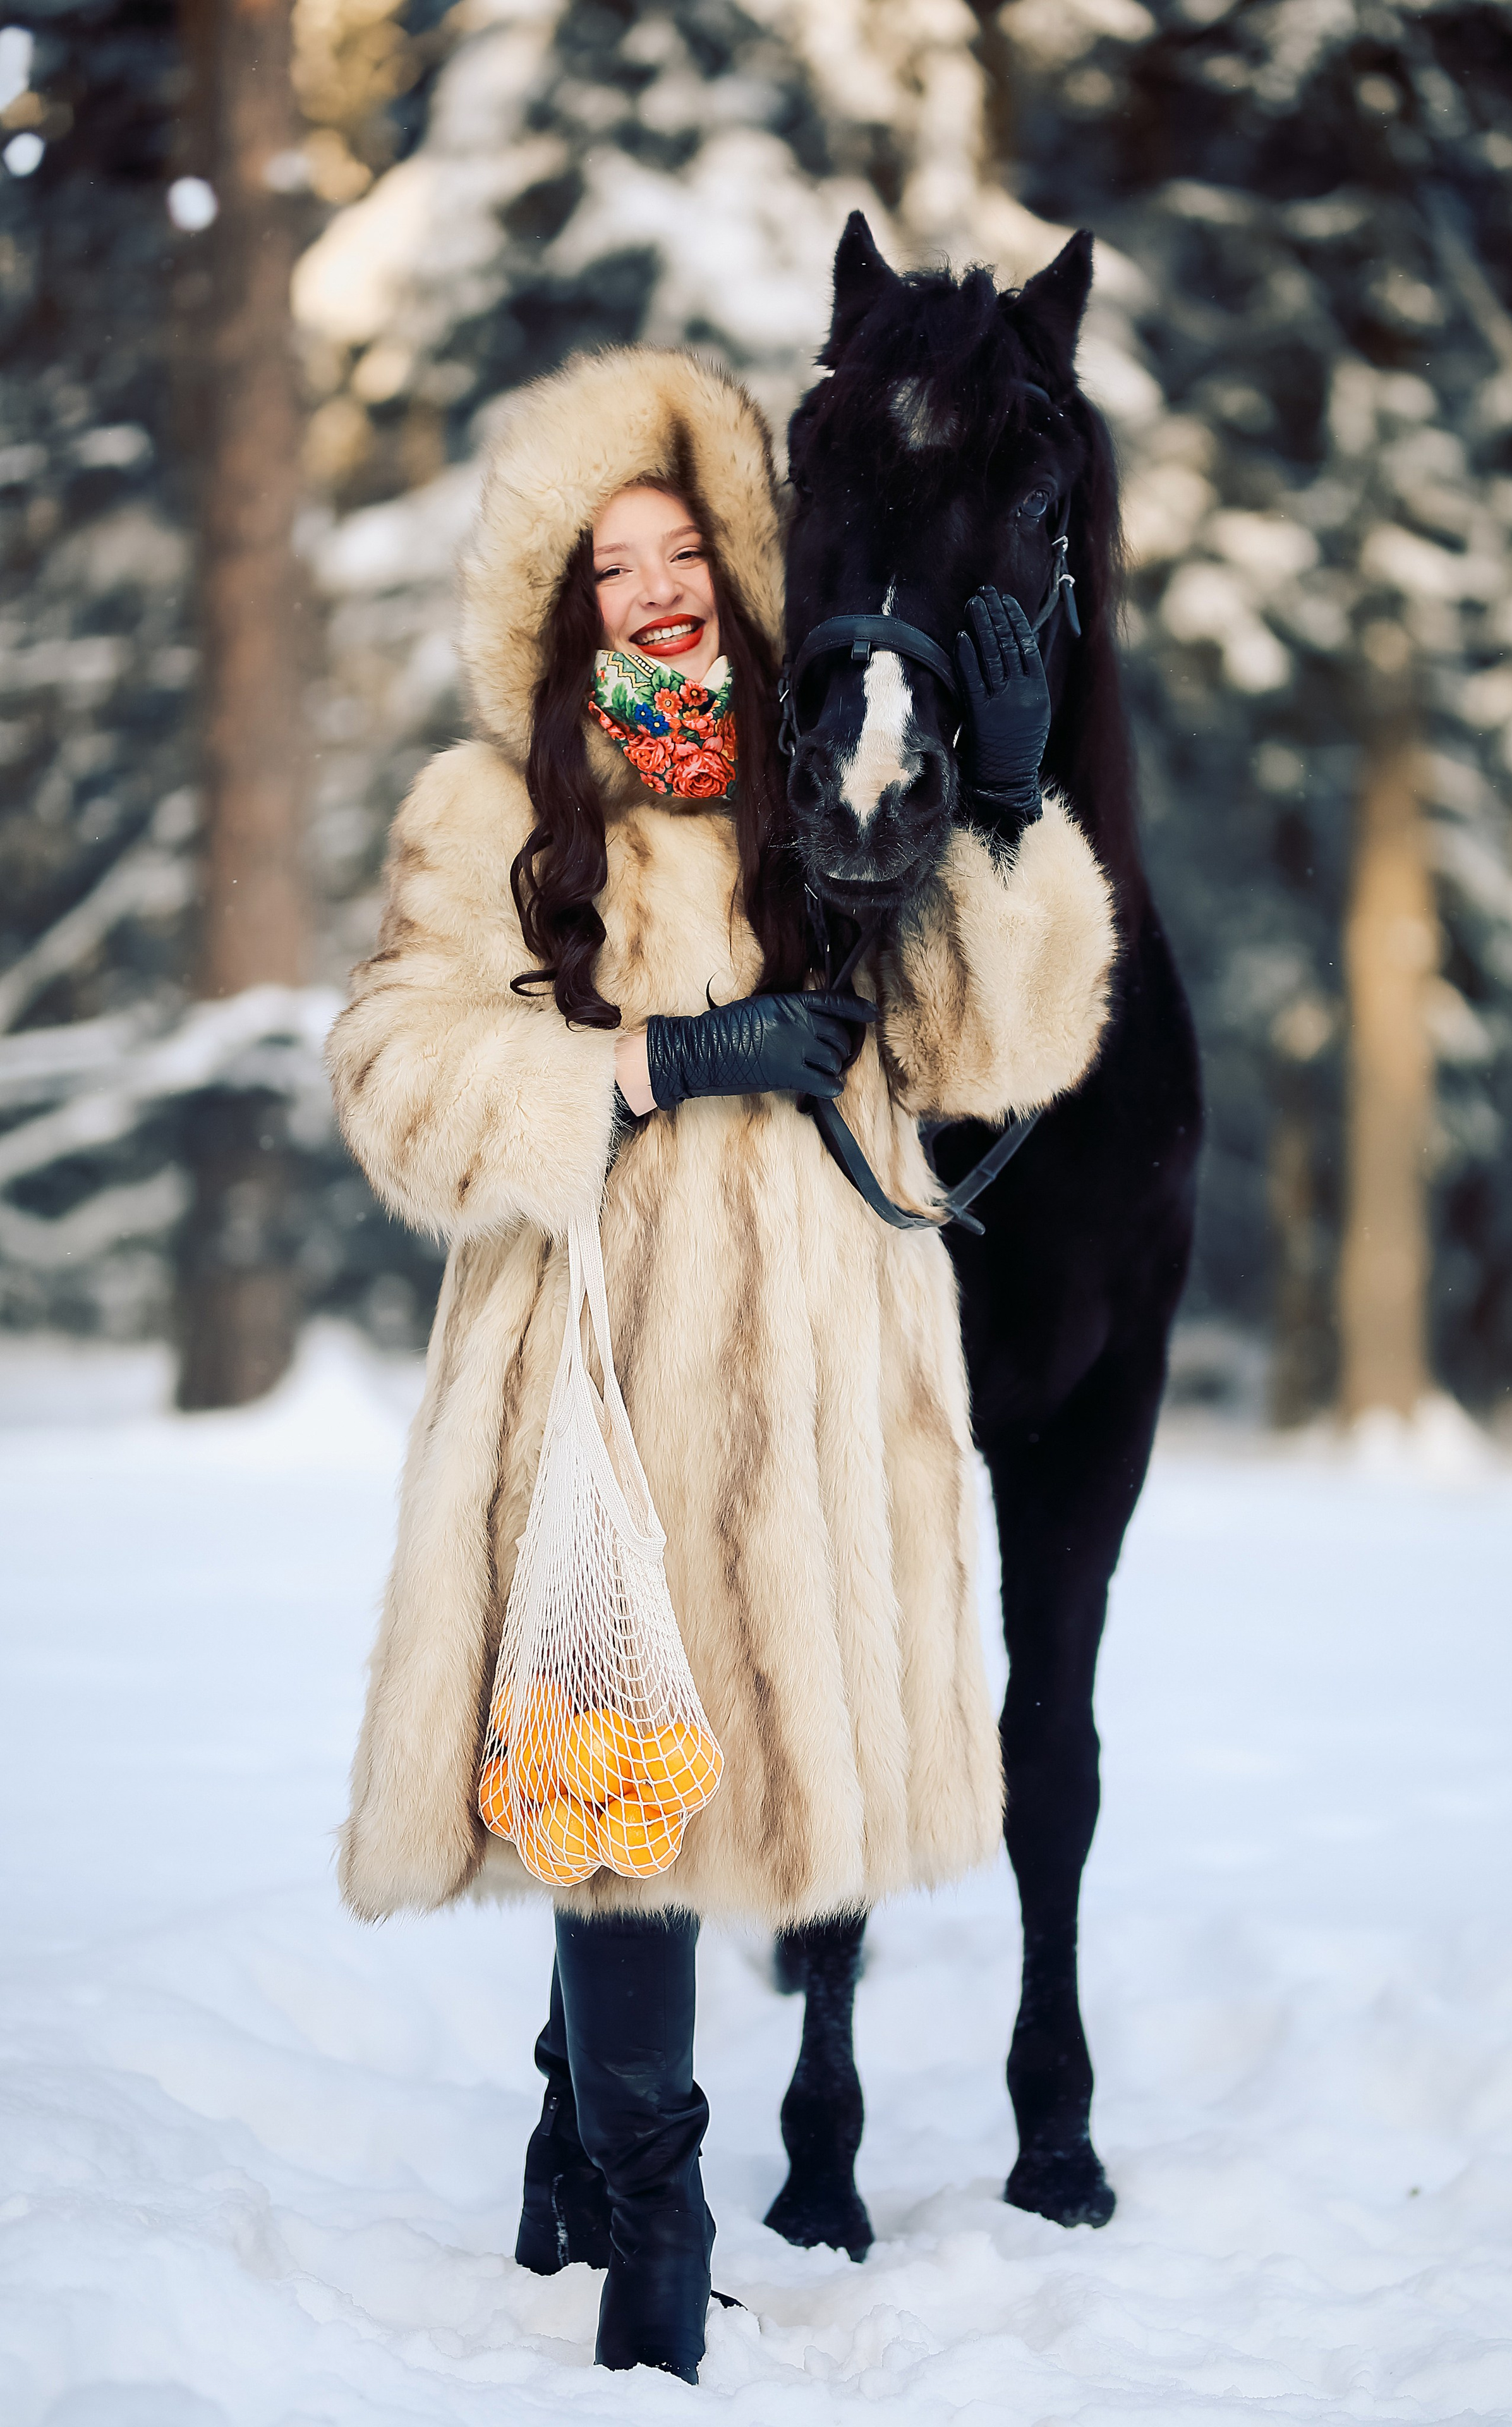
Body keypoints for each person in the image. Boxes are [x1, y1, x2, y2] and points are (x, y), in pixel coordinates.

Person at [326, 346, 1117, 2382]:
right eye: (616, 564)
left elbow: (989, 1054)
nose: (659, 589)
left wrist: (1011, 818)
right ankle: (655, 2212)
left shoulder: (812, 779)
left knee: (713, 1789)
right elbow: (398, 1079)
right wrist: (659, 1061)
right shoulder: (498, 805)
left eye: (686, 550)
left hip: (820, 1387)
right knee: (618, 1785)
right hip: (594, 1375)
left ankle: (568, 2126)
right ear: (563, 601)